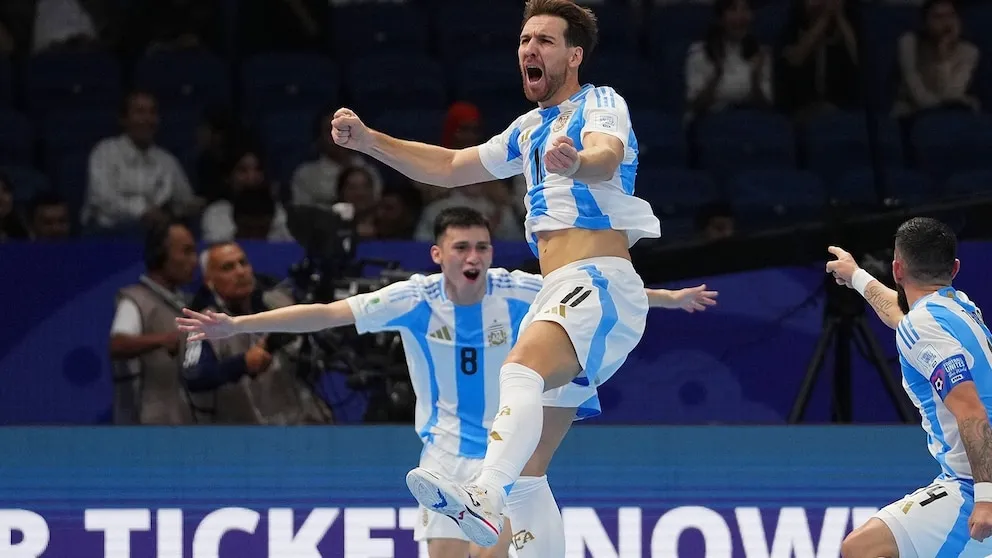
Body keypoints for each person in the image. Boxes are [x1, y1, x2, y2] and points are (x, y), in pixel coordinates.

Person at [176, 207, 717, 558]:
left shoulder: (516, 288)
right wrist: (237, 325)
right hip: (440, 462)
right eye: (461, 248)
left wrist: (670, 298)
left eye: (482, 247)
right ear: (439, 255)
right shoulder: (414, 299)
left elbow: (596, 293)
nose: (474, 257)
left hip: (503, 461)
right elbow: (325, 313)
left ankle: (494, 498)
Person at [328, 0, 663, 548]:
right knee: (529, 473)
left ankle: (483, 491)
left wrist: (576, 163)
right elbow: (448, 166)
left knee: (518, 370)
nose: (529, 48)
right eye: (524, 40)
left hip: (598, 279)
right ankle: (509, 502)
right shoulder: (528, 130)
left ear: (575, 55)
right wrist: (370, 141)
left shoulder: (600, 102)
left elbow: (605, 153)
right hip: (565, 288)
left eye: (545, 41)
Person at [825, 217, 992, 558]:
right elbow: (899, 314)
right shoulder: (959, 308)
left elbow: (972, 412)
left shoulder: (925, 325)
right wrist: (855, 275)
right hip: (970, 476)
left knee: (863, 549)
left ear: (897, 269)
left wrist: (986, 498)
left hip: (973, 482)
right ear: (955, 268)